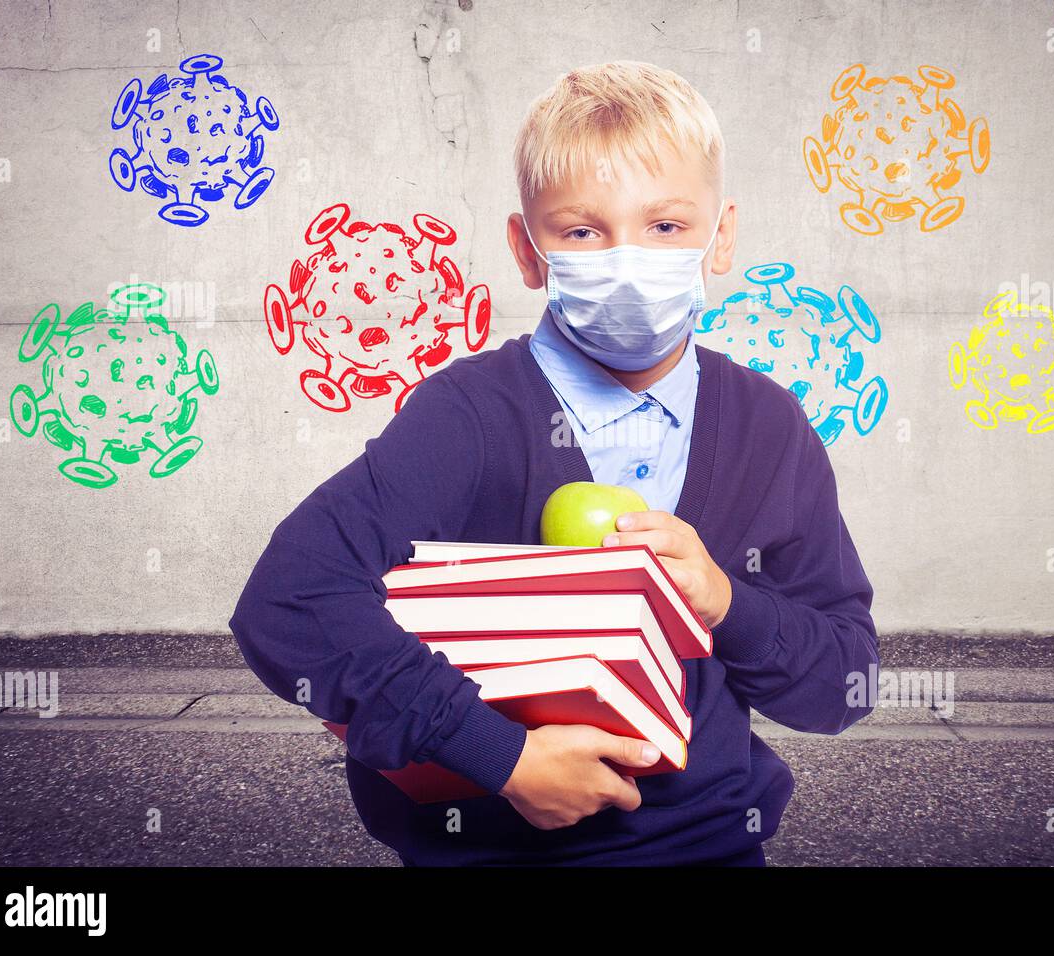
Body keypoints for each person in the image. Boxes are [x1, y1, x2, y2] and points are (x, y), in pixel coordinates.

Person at [230, 61, 878, 866]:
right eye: (582, 231)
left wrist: (724, 602)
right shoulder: (467, 417)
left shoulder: (768, 428)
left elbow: (844, 682)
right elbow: (290, 598)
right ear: (528, 251)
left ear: (723, 235)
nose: (628, 259)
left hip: (710, 849)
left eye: (666, 227)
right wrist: (499, 756)